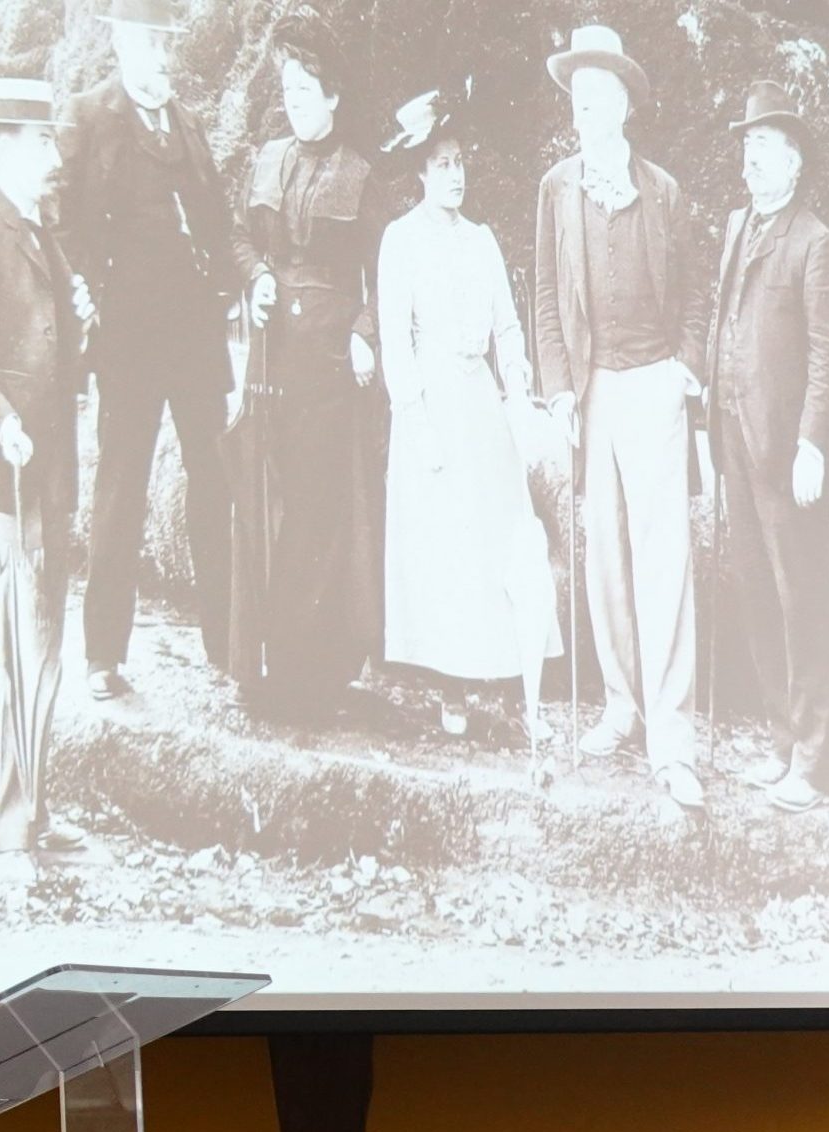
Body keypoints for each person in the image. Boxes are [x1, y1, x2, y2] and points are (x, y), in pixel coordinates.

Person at [530, 24, 706, 810]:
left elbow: (698, 292)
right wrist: (560, 388)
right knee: (604, 557)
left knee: (664, 560)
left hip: (655, 385)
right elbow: (543, 296)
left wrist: (684, 372)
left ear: (626, 103)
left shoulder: (663, 190)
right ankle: (622, 706)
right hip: (593, 389)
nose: (585, 108)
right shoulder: (557, 188)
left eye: (598, 95)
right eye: (577, 96)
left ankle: (672, 731)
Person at [60, 0, 237, 700]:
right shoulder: (89, 115)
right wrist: (87, 290)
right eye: (148, 46)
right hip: (128, 339)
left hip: (193, 338)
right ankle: (104, 655)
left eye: (168, 48)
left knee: (213, 483)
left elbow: (218, 224)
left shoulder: (189, 124)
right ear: (123, 44)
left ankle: (226, 645)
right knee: (121, 490)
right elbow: (61, 217)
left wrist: (231, 289)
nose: (160, 61)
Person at [373, 90, 561, 742]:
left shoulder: (481, 241)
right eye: (441, 163)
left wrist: (516, 387)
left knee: (496, 535)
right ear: (420, 172)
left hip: (480, 397)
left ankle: (503, 676)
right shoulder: (399, 241)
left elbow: (508, 327)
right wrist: (414, 418)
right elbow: (395, 337)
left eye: (459, 162)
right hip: (430, 401)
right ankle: (449, 683)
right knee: (444, 541)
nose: (454, 175)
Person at [225, 12, 381, 720]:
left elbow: (384, 271)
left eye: (307, 86)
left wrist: (364, 329)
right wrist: (256, 274)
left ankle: (315, 673)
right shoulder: (266, 158)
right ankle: (264, 663)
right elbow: (239, 237)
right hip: (271, 360)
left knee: (321, 510)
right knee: (271, 502)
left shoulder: (361, 174)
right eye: (288, 85)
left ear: (333, 96)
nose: (294, 96)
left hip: (329, 366)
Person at [701, 80, 829, 814]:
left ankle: (816, 764)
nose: (751, 161)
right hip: (733, 441)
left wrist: (813, 445)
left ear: (795, 163)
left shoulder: (816, 243)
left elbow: (828, 355)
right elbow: (725, 323)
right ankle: (783, 742)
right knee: (756, 592)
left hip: (787, 456)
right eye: (747, 148)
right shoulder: (738, 226)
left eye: (764, 149)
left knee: (803, 600)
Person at [0, 77, 90, 857]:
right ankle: (6, 817)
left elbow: (56, 353)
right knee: (8, 650)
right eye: (40, 139)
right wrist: (2, 422)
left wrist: (82, 314)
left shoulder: (41, 229)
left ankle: (32, 814)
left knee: (42, 647)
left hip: (46, 475)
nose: (53, 154)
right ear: (5, 144)